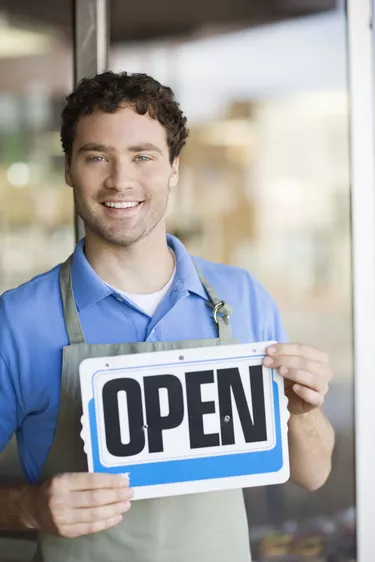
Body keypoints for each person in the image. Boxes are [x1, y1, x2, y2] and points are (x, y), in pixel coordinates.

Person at [0, 71, 335, 562]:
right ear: (70, 169)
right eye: (97, 157)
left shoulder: (242, 296)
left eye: (143, 156)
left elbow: (314, 473)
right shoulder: (17, 321)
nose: (121, 180)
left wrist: (303, 411)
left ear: (174, 168)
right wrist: (28, 508)